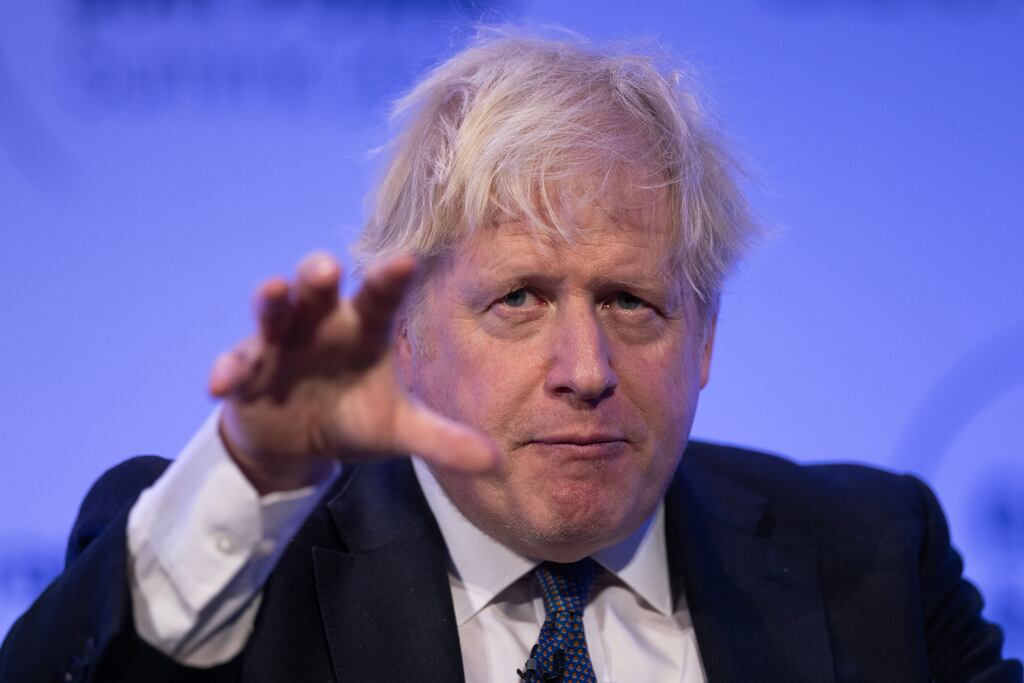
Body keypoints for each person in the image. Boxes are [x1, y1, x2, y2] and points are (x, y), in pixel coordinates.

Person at [1, 31, 1020, 683]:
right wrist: (254, 478)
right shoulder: (243, 569)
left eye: (630, 301)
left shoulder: (874, 555)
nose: (584, 365)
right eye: (518, 298)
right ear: (406, 330)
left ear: (705, 334)